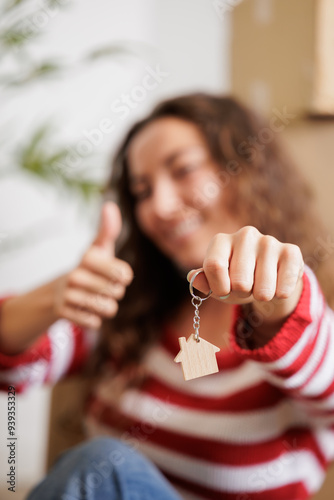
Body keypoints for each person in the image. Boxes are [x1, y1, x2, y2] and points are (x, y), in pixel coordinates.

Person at [1, 93, 334, 500]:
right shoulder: (134, 306)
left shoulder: (312, 323)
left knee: (102, 466)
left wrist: (281, 299)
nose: (159, 205)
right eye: (142, 191)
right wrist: (57, 295)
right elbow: (12, 369)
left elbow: (324, 369)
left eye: (183, 170)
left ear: (247, 170)